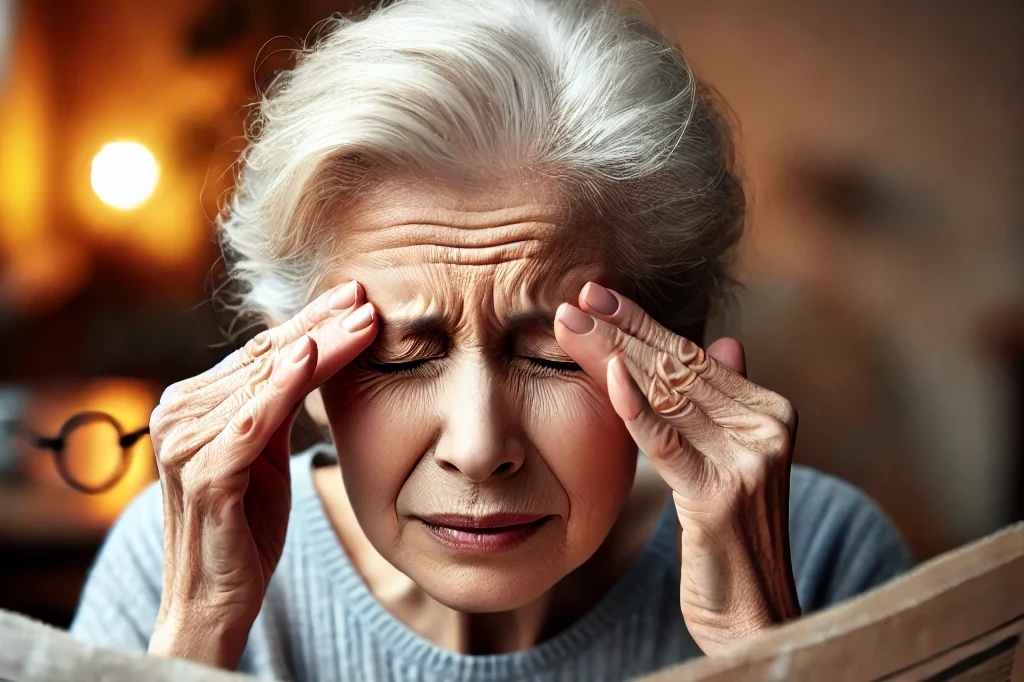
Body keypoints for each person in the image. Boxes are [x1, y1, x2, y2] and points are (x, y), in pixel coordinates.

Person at [69, 0, 915, 679]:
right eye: (401, 354)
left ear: (673, 353)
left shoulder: (825, 553)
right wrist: (194, 641)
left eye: (549, 353)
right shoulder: (168, 566)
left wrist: (761, 650)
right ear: (299, 372)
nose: (479, 449)